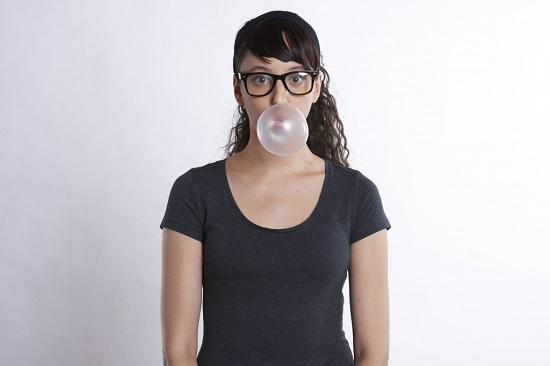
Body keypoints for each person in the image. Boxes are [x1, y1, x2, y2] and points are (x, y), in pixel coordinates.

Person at [160, 10, 391, 366]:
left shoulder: (356, 195)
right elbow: (178, 351)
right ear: (239, 89)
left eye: (295, 77)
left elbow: (372, 352)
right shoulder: (195, 193)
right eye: (261, 78)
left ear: (315, 86)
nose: (279, 98)